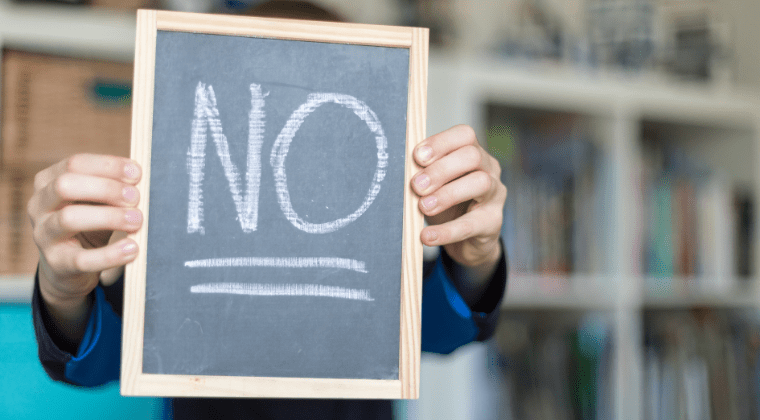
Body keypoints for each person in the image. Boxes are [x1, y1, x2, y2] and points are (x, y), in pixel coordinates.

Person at [28, 2, 508, 419]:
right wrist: (65, 290)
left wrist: (474, 256)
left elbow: (450, 327)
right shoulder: (181, 247)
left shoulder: (377, 253)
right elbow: (93, 357)